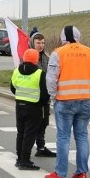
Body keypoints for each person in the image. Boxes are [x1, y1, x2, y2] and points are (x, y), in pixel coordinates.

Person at [44, 25, 90, 178]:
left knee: (63, 137)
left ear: (63, 38)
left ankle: (60, 173)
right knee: (82, 136)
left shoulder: (58, 53)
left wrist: (54, 97)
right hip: (85, 101)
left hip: (65, 101)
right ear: (78, 36)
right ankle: (82, 173)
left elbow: (51, 79)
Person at [11, 48, 49, 170]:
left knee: (21, 133)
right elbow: (45, 93)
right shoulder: (40, 73)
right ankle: (25, 160)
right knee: (30, 134)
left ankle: (19, 158)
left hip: (19, 105)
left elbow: (13, 88)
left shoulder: (16, 71)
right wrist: (43, 103)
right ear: (36, 59)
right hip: (34, 107)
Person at [28, 28, 55, 158]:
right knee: (32, 125)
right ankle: (25, 150)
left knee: (43, 122)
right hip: (32, 99)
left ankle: (41, 147)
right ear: (33, 43)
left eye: (43, 43)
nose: (41, 45)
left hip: (45, 98)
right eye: (38, 43)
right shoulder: (28, 58)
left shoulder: (47, 58)